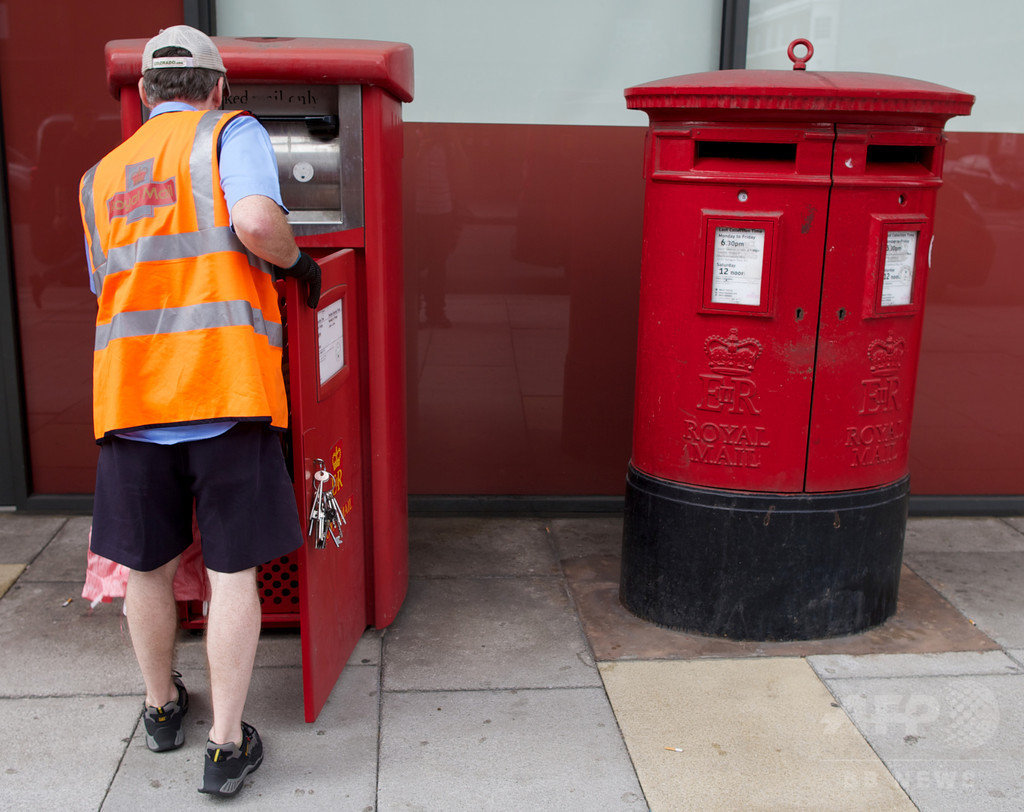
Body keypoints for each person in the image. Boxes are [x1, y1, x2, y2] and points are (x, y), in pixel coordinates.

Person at [78, 25, 321, 797]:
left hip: (130, 397)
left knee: (144, 570)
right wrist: (298, 259)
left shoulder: (100, 175)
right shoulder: (231, 133)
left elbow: (104, 285)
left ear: (145, 95)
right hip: (222, 390)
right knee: (231, 571)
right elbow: (255, 224)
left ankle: (160, 711)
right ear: (218, 88)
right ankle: (224, 746)